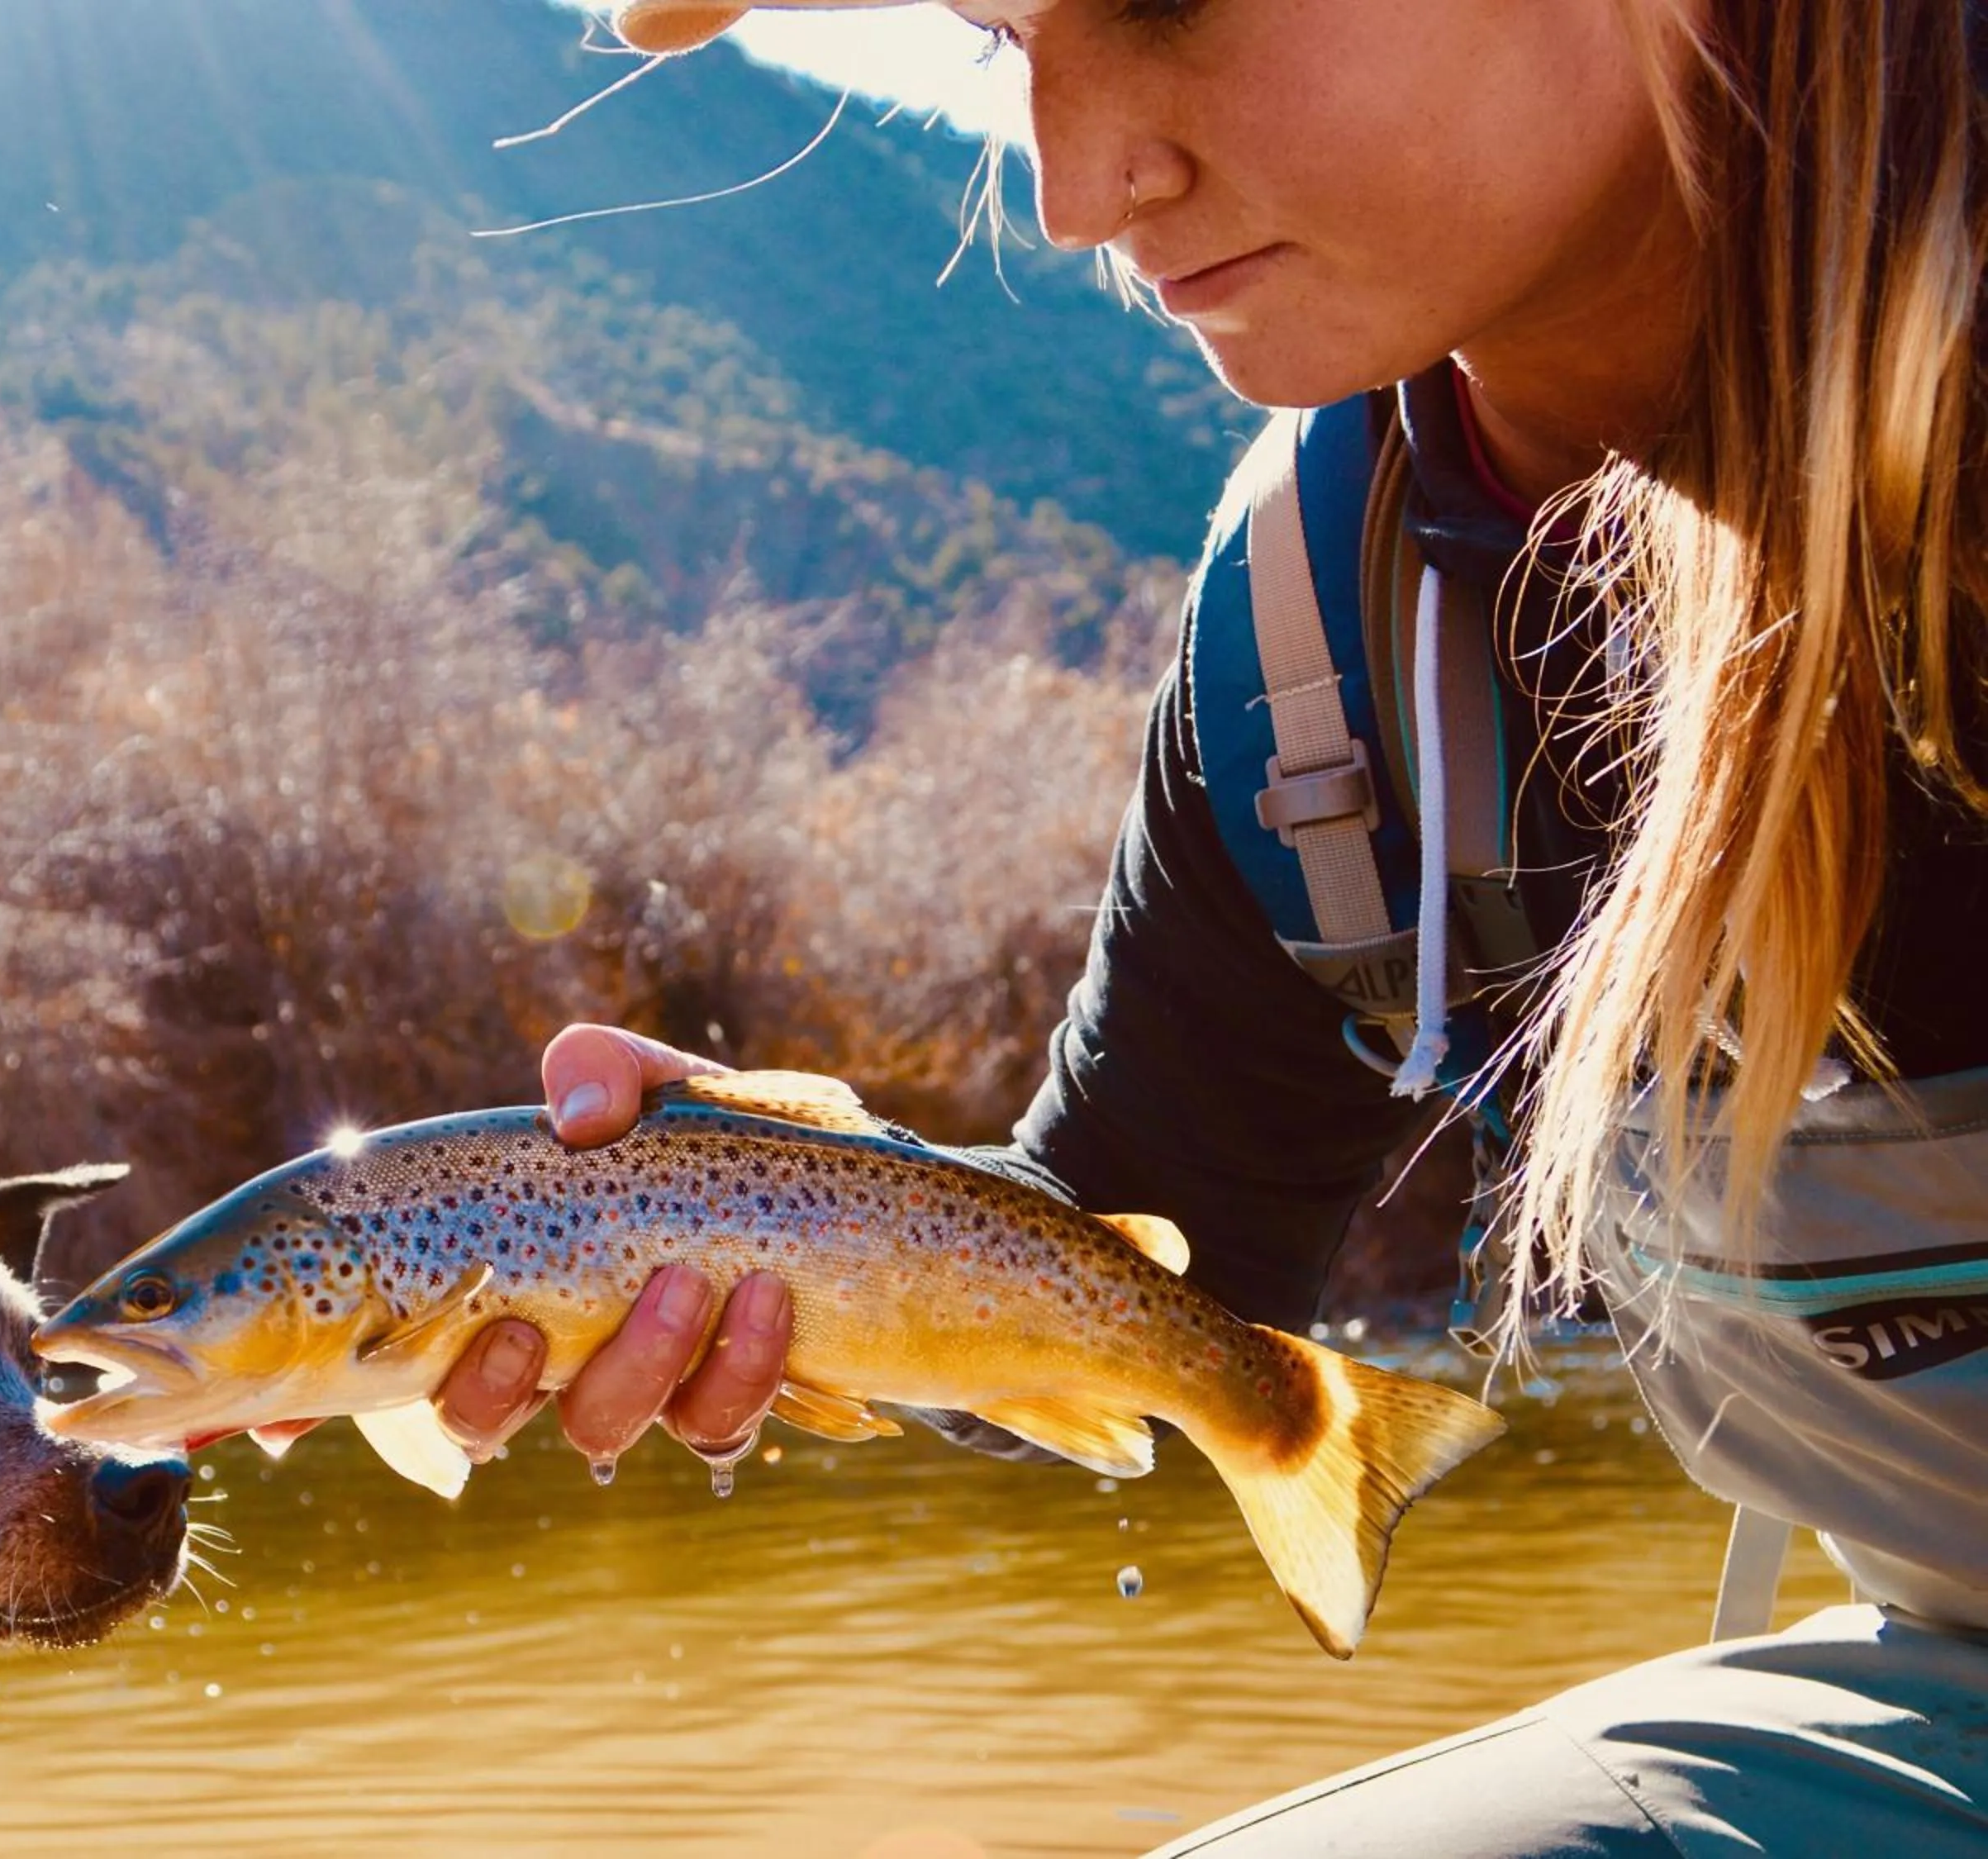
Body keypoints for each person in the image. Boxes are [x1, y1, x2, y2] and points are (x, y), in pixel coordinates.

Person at [427, 2, 1988, 1852]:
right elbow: (1124, 1263)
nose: (1076, 191)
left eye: (1163, 2)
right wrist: (762, 1216)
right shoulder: (1317, 636)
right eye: (1000, 32)